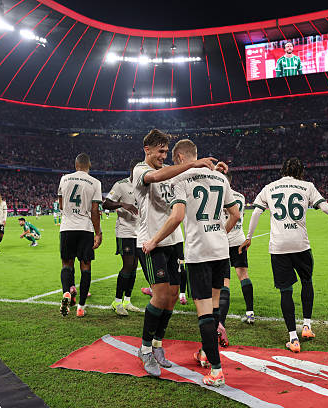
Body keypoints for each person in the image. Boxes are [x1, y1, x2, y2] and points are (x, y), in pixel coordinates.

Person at [240, 158, 328, 353]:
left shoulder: (269, 188)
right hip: (301, 245)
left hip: (279, 247)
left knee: (286, 291)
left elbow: (256, 213)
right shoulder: (307, 186)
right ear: (300, 172)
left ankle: (293, 338)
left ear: (283, 170)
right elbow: (326, 208)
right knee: (307, 282)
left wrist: (249, 237)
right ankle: (307, 326)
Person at [143, 139, 240, 387]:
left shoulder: (180, 179)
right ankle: (206, 353)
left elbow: (177, 216)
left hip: (199, 252)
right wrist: (221, 233)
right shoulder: (220, 177)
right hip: (221, 252)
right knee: (215, 309)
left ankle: (216, 371)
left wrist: (154, 241)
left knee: (204, 313)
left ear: (179, 158)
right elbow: (235, 214)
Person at [58, 153, 102, 318]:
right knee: (85, 265)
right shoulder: (95, 182)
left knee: (66, 263)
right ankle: (81, 307)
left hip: (67, 227)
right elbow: (95, 210)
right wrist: (98, 233)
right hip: (85, 228)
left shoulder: (64, 179)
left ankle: (66, 292)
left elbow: (61, 205)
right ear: (89, 165)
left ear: (76, 165)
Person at [216, 171, 255, 348]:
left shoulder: (217, 194)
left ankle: (221, 322)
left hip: (223, 241)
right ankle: (250, 312)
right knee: (243, 276)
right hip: (239, 240)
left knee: (225, 282)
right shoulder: (240, 196)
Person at [104, 159, 142, 316]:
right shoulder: (121, 185)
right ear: (132, 170)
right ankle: (117, 301)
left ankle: (127, 300)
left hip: (140, 232)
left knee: (134, 266)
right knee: (128, 265)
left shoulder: (144, 186)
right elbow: (106, 204)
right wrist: (122, 204)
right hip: (125, 231)